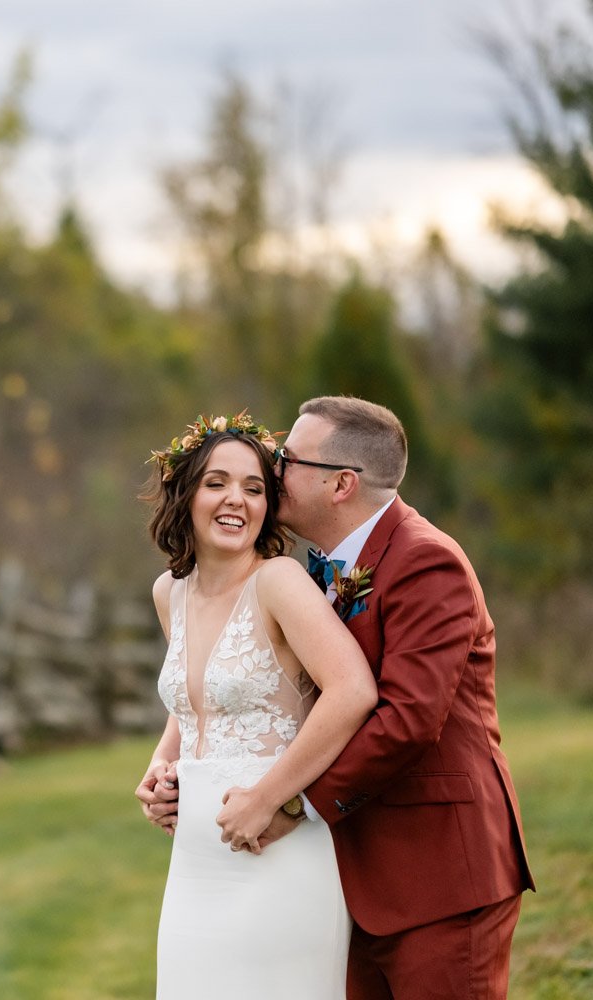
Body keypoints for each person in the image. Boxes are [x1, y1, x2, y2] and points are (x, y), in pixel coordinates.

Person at [141, 396, 536, 1000]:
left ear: (342, 484)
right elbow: (215, 693)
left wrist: (287, 802)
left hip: (436, 871)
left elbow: (405, 720)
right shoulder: (320, 566)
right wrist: (170, 770)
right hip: (345, 866)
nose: (272, 475)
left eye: (284, 460)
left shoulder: (427, 562)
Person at [135, 410, 378, 998]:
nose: (235, 500)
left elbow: (354, 691)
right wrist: (159, 767)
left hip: (274, 848)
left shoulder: (279, 583)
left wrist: (272, 798)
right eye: (217, 482)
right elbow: (198, 700)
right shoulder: (170, 593)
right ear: (185, 492)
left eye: (253, 488)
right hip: (194, 863)